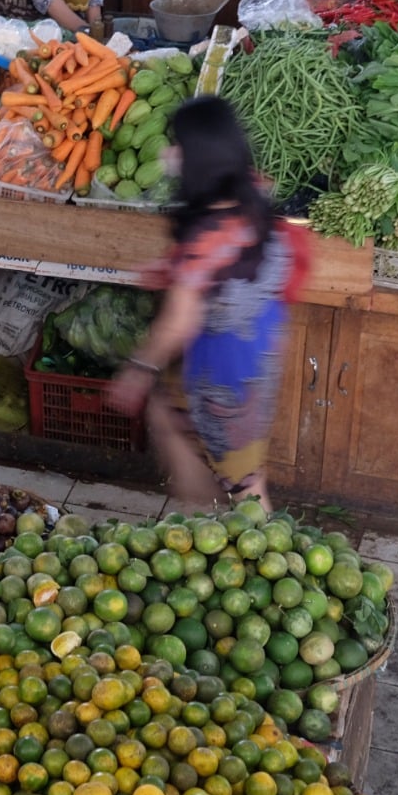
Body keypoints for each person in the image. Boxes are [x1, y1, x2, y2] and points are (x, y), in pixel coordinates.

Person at [107, 98, 291, 513]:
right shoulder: (253, 198)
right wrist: (177, 272)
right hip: (257, 349)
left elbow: (179, 322)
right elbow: (238, 267)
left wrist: (138, 369)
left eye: (178, 148)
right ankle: (205, 515)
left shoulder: (203, 237)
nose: (168, 156)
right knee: (170, 418)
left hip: (224, 368)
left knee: (243, 479)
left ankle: (260, 547)